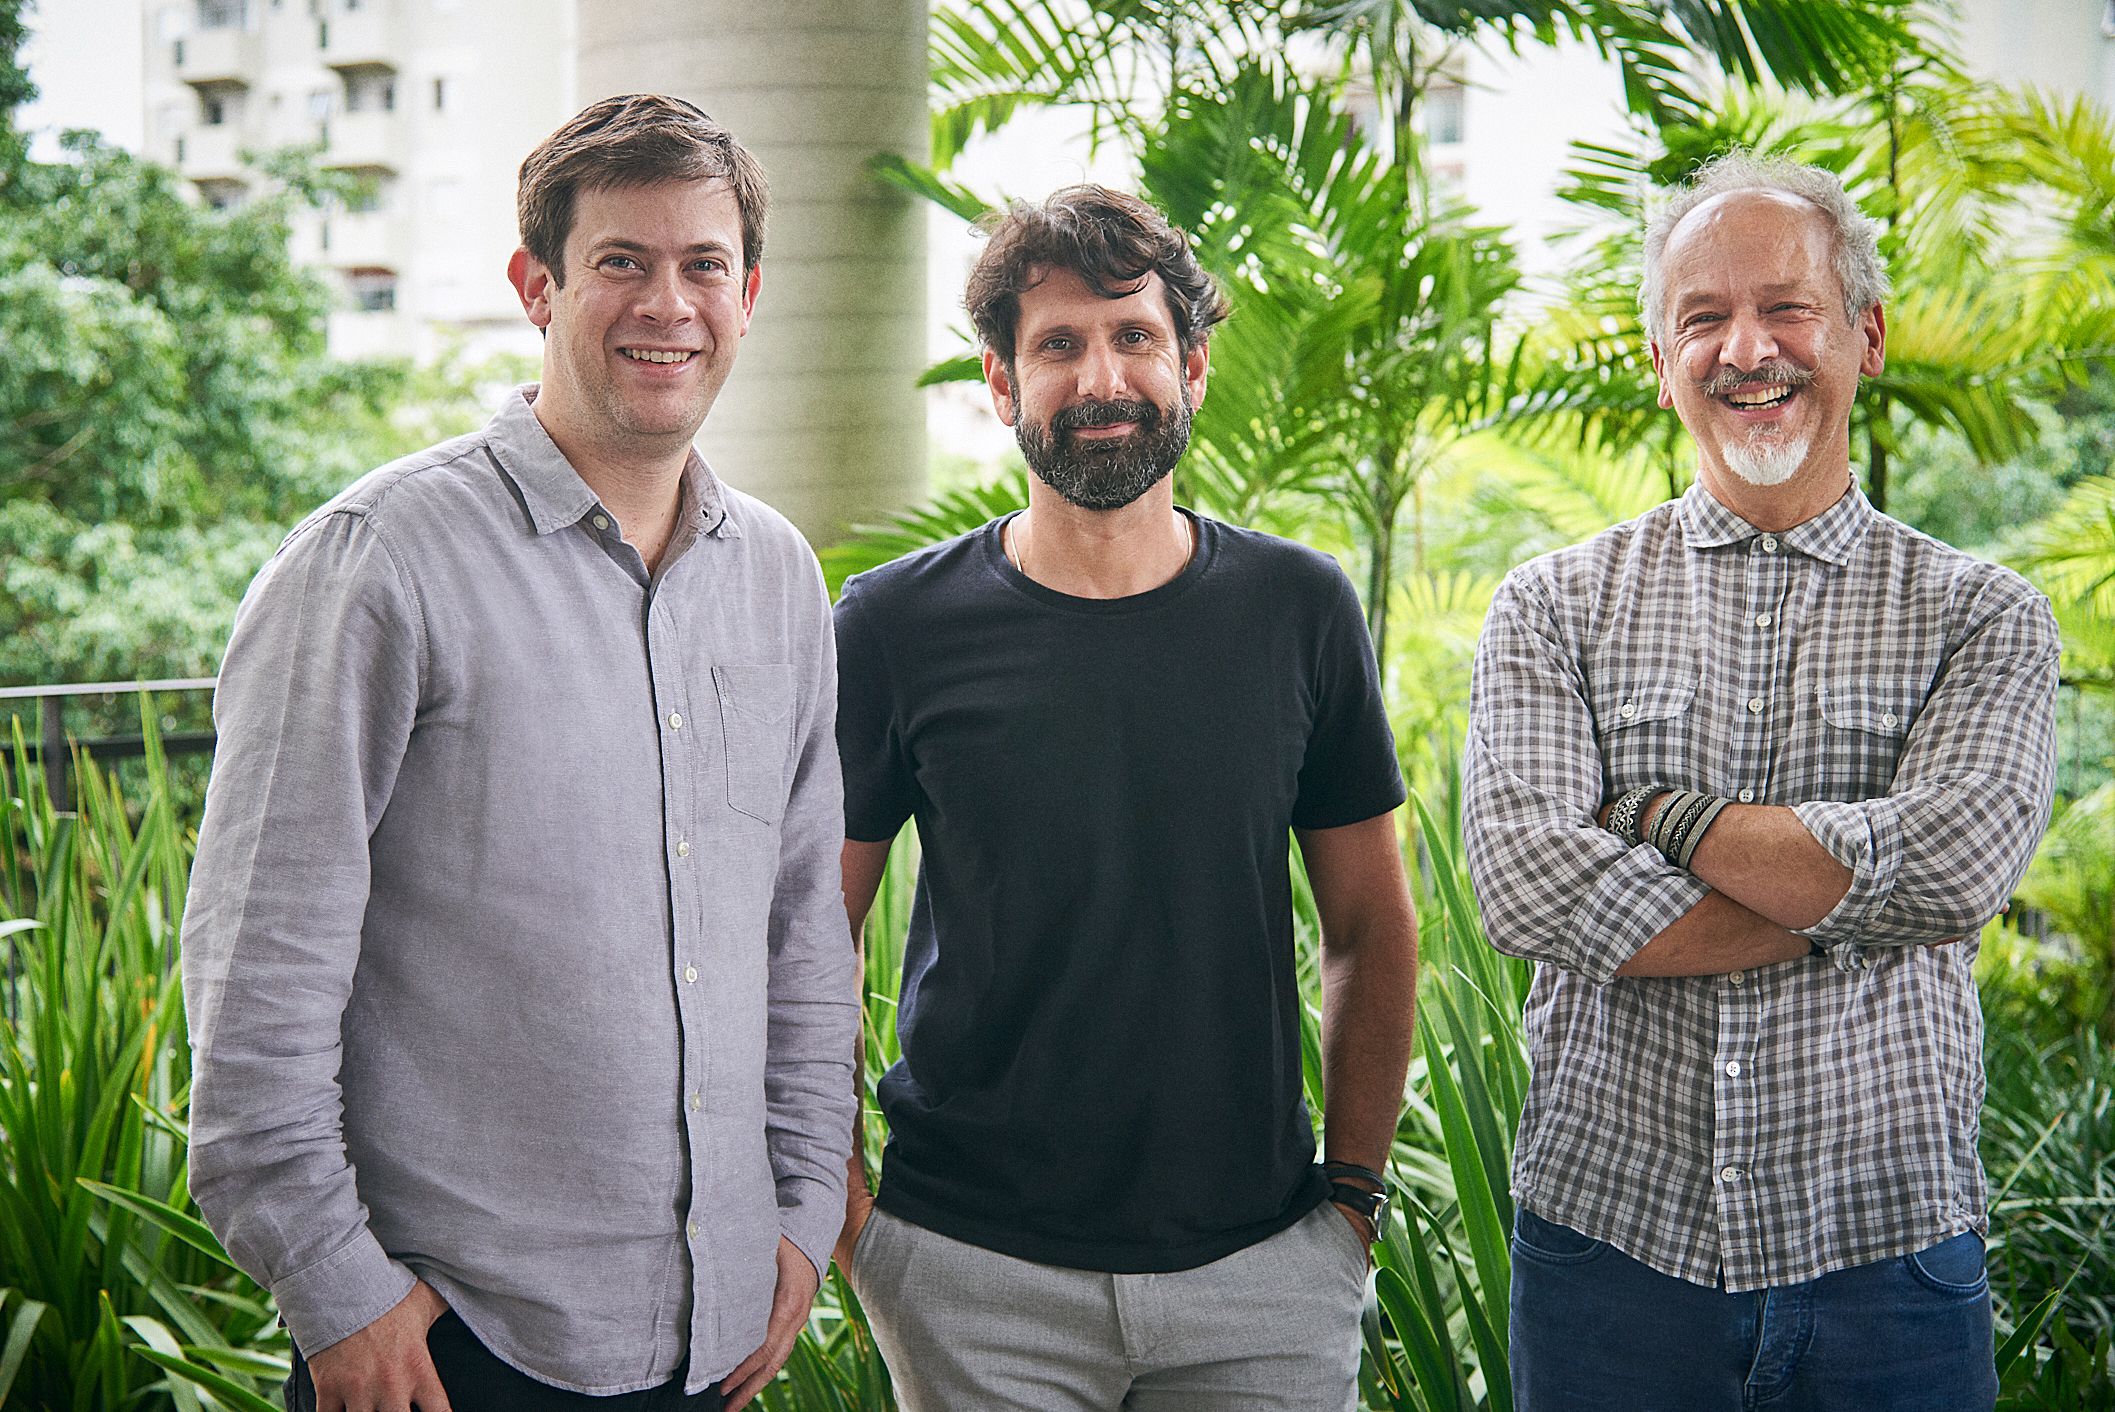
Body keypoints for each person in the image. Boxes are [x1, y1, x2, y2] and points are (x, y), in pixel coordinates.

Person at [182, 94, 859, 1412]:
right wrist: (338, 1297)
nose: (667, 302)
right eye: (621, 261)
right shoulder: (374, 565)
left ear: (749, 293)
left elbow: (797, 933)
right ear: (535, 287)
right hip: (448, 1354)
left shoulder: (776, 575)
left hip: (707, 1344)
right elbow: (256, 984)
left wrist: (791, 1212)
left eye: (701, 265)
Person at [1462, 152, 2060, 1412]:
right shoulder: (1554, 607)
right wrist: (1855, 909)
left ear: (1866, 334)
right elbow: (1522, 882)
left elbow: (1953, 868)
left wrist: (1654, 821)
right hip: (1608, 1255)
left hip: (1887, 1259)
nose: (1748, 349)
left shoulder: (1983, 616)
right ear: (1661, 357)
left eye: (1787, 307)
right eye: (1704, 318)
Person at [829, 184, 1420, 1411]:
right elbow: (807, 937)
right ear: (1002, 384)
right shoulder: (892, 624)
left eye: (1134, 336)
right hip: (970, 1273)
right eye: (1058, 344)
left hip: (1261, 1275)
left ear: (1193, 365)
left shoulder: (1300, 609)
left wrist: (1350, 1204)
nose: (1102, 377)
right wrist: (853, 1214)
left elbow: (1370, 923)